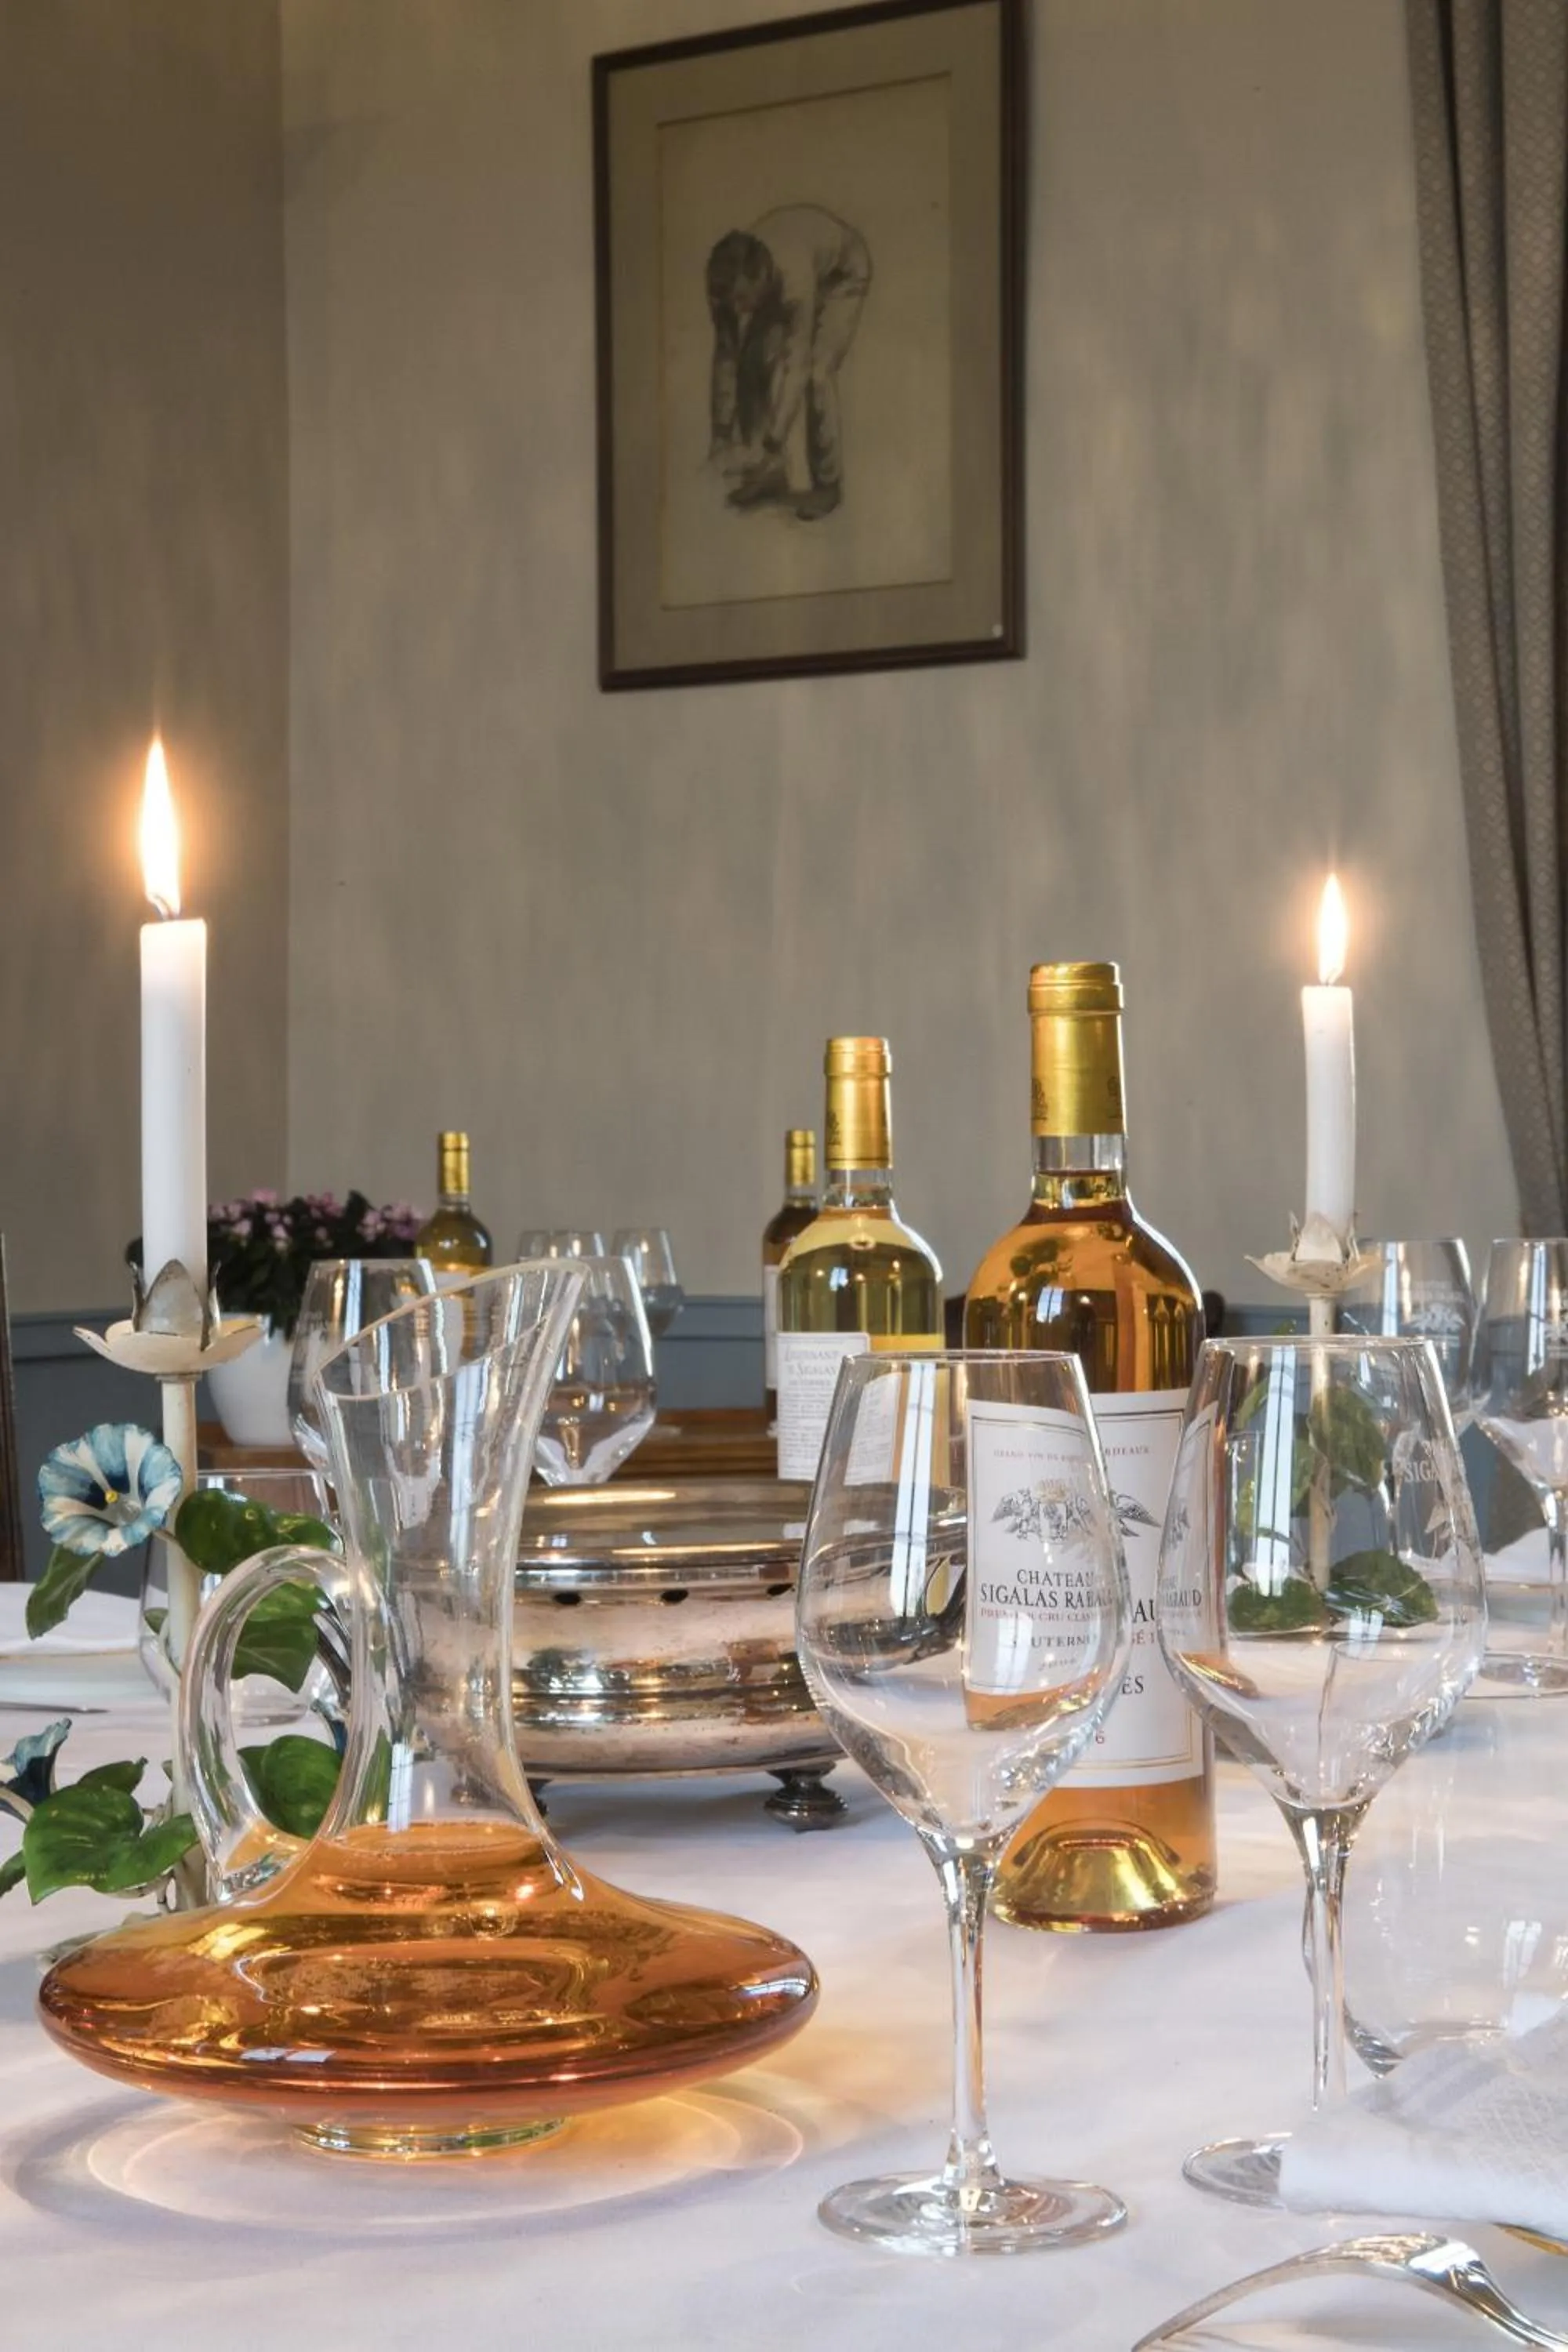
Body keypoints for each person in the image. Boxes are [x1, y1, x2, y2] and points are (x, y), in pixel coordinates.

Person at [705, 205, 872, 520]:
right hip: (800, 263)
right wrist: (721, 435)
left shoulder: (794, 280)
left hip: (842, 276)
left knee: (817, 375)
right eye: (733, 303)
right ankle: (768, 474)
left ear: (762, 278)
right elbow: (725, 359)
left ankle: (827, 486)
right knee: (751, 361)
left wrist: (773, 440)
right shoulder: (724, 287)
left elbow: (796, 366)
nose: (738, 311)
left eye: (742, 300)